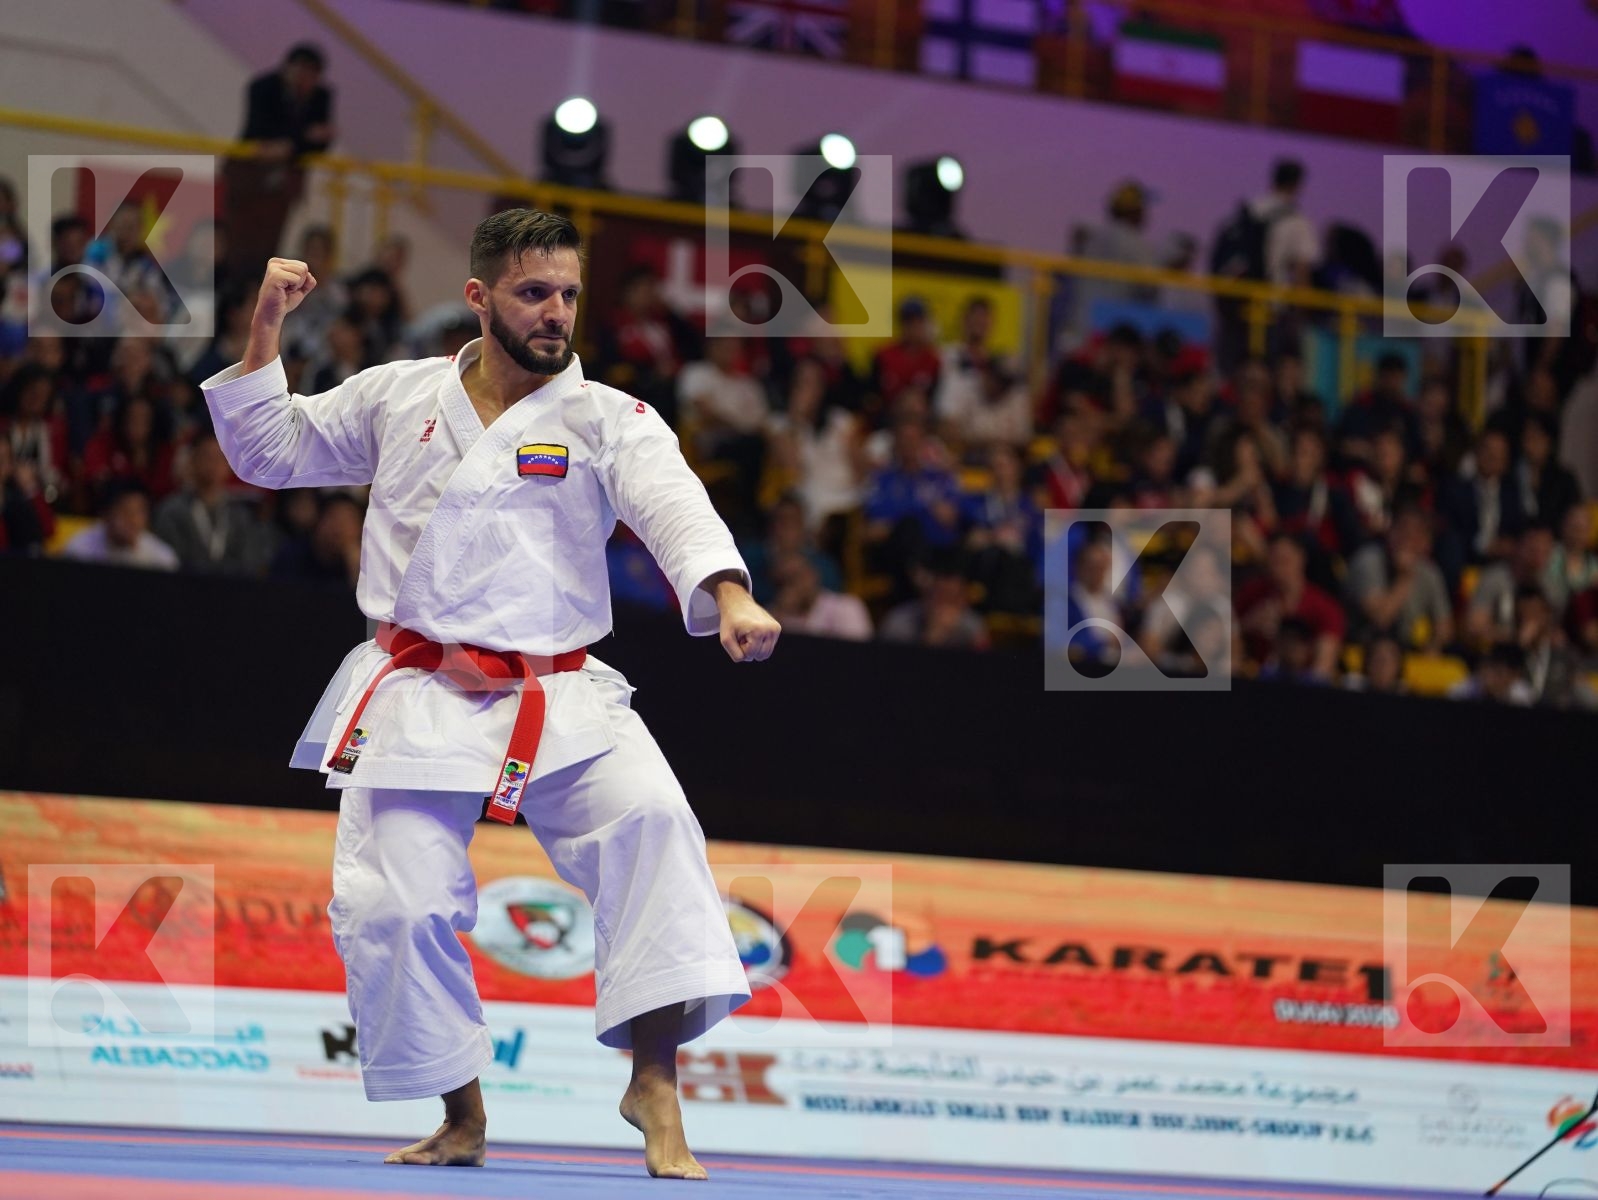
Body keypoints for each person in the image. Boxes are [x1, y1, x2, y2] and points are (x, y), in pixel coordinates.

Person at [199, 210, 781, 1178]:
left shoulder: (609, 419)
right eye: (532, 293)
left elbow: (674, 506)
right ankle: (461, 1114)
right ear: (478, 298)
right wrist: (265, 325)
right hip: (418, 690)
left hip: (558, 693)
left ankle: (655, 1079)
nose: (556, 313)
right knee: (394, 907)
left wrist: (728, 593)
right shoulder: (400, 396)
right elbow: (270, 452)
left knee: (654, 823)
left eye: (567, 294)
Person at [227, 44, 337, 278]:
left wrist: (289, 145)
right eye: (301, 72)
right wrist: (303, 137)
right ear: (288, 68)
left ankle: (256, 283)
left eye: (311, 75)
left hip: (285, 180)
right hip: (248, 175)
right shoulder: (263, 87)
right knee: (236, 234)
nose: (305, 80)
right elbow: (258, 131)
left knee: (269, 239)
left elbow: (322, 142)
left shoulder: (321, 96)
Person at [59, 482, 179, 571]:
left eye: (139, 512)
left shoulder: (161, 559)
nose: (133, 520)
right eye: (125, 511)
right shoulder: (78, 552)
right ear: (106, 515)